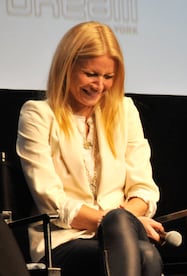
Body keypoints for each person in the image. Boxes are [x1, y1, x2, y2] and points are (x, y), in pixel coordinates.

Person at [16, 21, 164, 276]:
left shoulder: (125, 112)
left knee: (143, 249)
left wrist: (122, 224)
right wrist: (117, 222)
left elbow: (143, 189)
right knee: (145, 253)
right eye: (91, 74)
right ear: (67, 67)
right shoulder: (37, 115)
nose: (99, 85)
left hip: (125, 236)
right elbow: (53, 202)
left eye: (108, 77)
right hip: (64, 240)